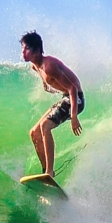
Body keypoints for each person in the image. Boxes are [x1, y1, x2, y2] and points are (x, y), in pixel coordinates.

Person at [21, 31, 84, 178]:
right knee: (34, 133)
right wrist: (46, 85)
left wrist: (74, 117)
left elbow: (72, 89)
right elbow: (47, 80)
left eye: (27, 49)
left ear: (37, 50)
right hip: (65, 98)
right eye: (22, 48)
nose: (23, 52)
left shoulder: (49, 65)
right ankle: (47, 172)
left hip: (76, 99)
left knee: (45, 126)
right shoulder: (35, 66)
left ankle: (49, 172)